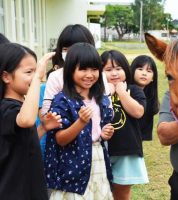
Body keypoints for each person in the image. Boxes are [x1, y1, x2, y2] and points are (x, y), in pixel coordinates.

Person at [44, 43, 114, 199]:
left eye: (94, 69)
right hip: (71, 165)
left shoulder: (100, 99)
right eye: (83, 69)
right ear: (70, 71)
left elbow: (99, 132)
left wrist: (105, 133)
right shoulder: (62, 101)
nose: (90, 75)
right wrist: (81, 123)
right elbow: (60, 140)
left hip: (97, 159)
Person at [0, 43, 57, 199]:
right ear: (6, 76)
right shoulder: (6, 108)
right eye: (28, 72)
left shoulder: (21, 107)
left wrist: (43, 128)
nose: (35, 75)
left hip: (30, 187)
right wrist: (38, 77)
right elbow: (25, 121)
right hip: (14, 191)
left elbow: (23, 141)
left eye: (35, 70)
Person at [101, 50, 148, 200]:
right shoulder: (96, 92)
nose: (114, 73)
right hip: (101, 149)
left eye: (118, 69)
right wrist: (107, 94)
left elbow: (138, 112)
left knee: (122, 192)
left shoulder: (134, 90)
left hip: (127, 149)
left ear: (126, 70)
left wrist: (121, 92)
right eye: (108, 70)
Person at [41, 24, 95, 115]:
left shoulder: (99, 75)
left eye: (75, 49)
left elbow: (107, 108)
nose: (70, 54)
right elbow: (46, 112)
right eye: (65, 49)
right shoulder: (56, 76)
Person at [130, 55, 159, 141]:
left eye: (149, 71)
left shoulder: (150, 100)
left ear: (153, 77)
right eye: (140, 69)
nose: (144, 73)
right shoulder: (125, 92)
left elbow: (141, 136)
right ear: (132, 71)